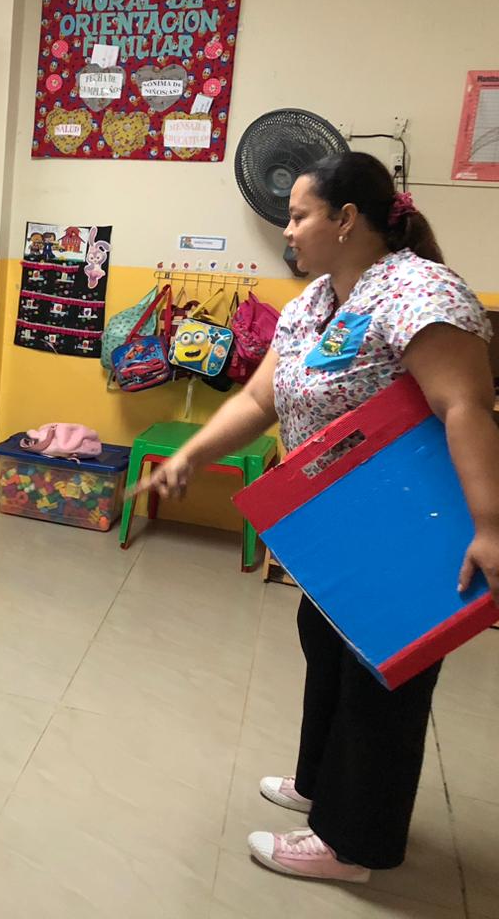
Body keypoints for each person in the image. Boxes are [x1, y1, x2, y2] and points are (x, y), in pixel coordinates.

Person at [137, 152, 499, 883]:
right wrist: (192, 456)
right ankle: (320, 786)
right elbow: (258, 399)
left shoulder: (420, 291)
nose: (288, 229)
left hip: (405, 522)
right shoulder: (315, 303)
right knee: (327, 647)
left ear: (346, 219)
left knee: (381, 676)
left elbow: (465, 404)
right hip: (337, 523)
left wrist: (490, 525)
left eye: (299, 215)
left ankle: (351, 843)